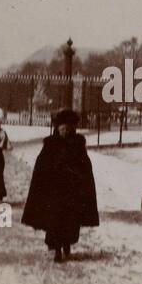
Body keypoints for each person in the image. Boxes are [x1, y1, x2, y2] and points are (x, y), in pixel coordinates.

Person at [21, 108, 99, 263]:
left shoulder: (78, 143)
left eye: (68, 128)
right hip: (54, 190)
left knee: (70, 220)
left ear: (72, 128)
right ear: (57, 128)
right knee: (55, 221)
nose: (65, 131)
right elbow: (41, 166)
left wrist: (79, 179)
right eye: (62, 128)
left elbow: (84, 165)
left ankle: (67, 246)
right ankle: (57, 250)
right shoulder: (50, 143)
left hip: (72, 191)